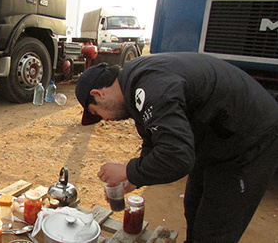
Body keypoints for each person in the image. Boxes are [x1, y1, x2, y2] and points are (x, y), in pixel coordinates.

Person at [75, 53, 278, 242]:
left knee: (215, 227)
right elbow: (153, 137)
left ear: (98, 94)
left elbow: (177, 158)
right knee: (192, 207)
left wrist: (127, 169)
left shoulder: (150, 87)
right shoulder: (132, 86)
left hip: (248, 141)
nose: (105, 120)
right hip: (213, 140)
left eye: (97, 112)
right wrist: (134, 179)